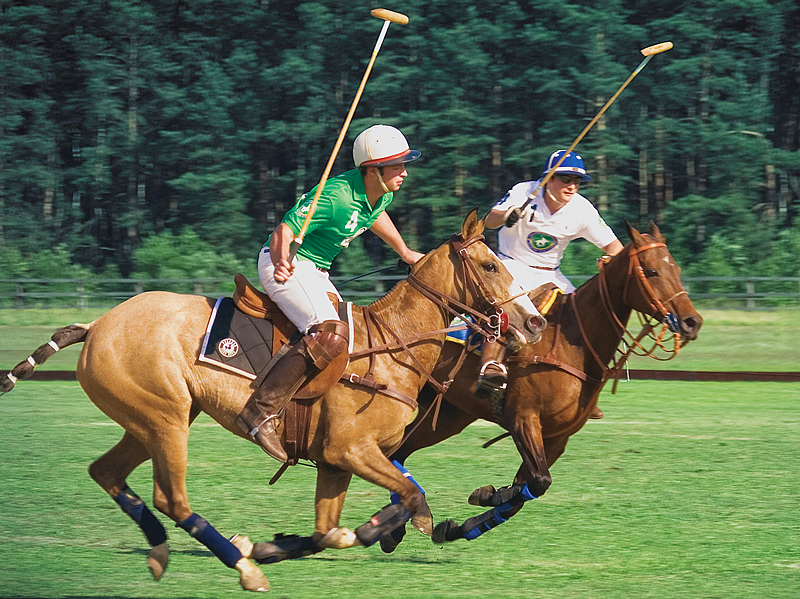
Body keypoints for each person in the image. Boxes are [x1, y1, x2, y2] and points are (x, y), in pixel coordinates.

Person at [236, 124, 425, 457]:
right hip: (288, 263)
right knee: (329, 332)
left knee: (353, 337)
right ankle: (260, 411)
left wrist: (406, 253)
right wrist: (281, 260)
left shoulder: (382, 193)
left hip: (318, 272)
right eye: (397, 165)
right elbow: (286, 228)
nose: (405, 173)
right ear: (373, 170)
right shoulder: (335, 196)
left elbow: (375, 216)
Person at [477, 150, 624, 419]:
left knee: (583, 319)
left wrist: (610, 259)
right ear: (547, 179)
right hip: (511, 265)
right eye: (565, 178)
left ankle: (587, 390)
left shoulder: (581, 209)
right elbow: (489, 220)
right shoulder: (525, 191)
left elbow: (615, 248)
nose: (572, 186)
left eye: (577, 181)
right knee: (506, 307)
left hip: (551, 274)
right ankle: (490, 365)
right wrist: (509, 214)